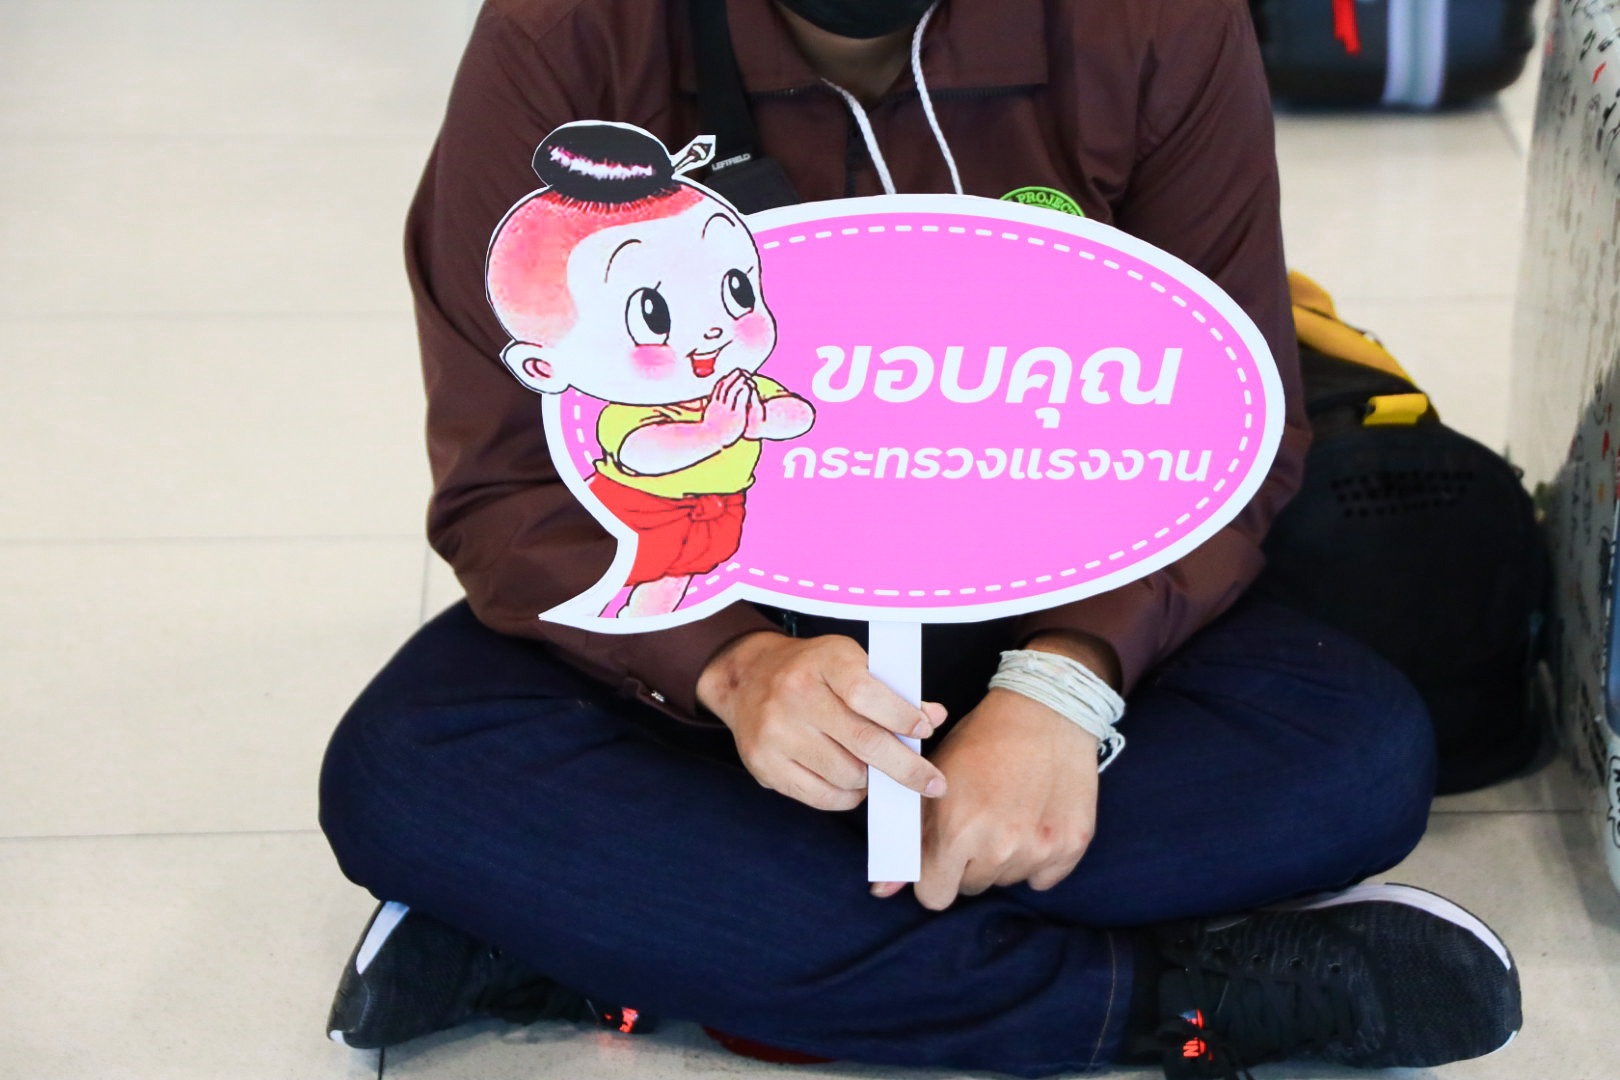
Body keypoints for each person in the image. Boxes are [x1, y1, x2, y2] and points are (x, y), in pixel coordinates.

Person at [317, 1, 1523, 1077]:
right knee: (407, 773)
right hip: (729, 614)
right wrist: (734, 668)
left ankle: (626, 931)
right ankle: (1167, 1002)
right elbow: (509, 480)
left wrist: (1064, 686)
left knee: (1355, 759)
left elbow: (1238, 420)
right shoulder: (568, 34)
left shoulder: (1154, 22)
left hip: (1056, 582)